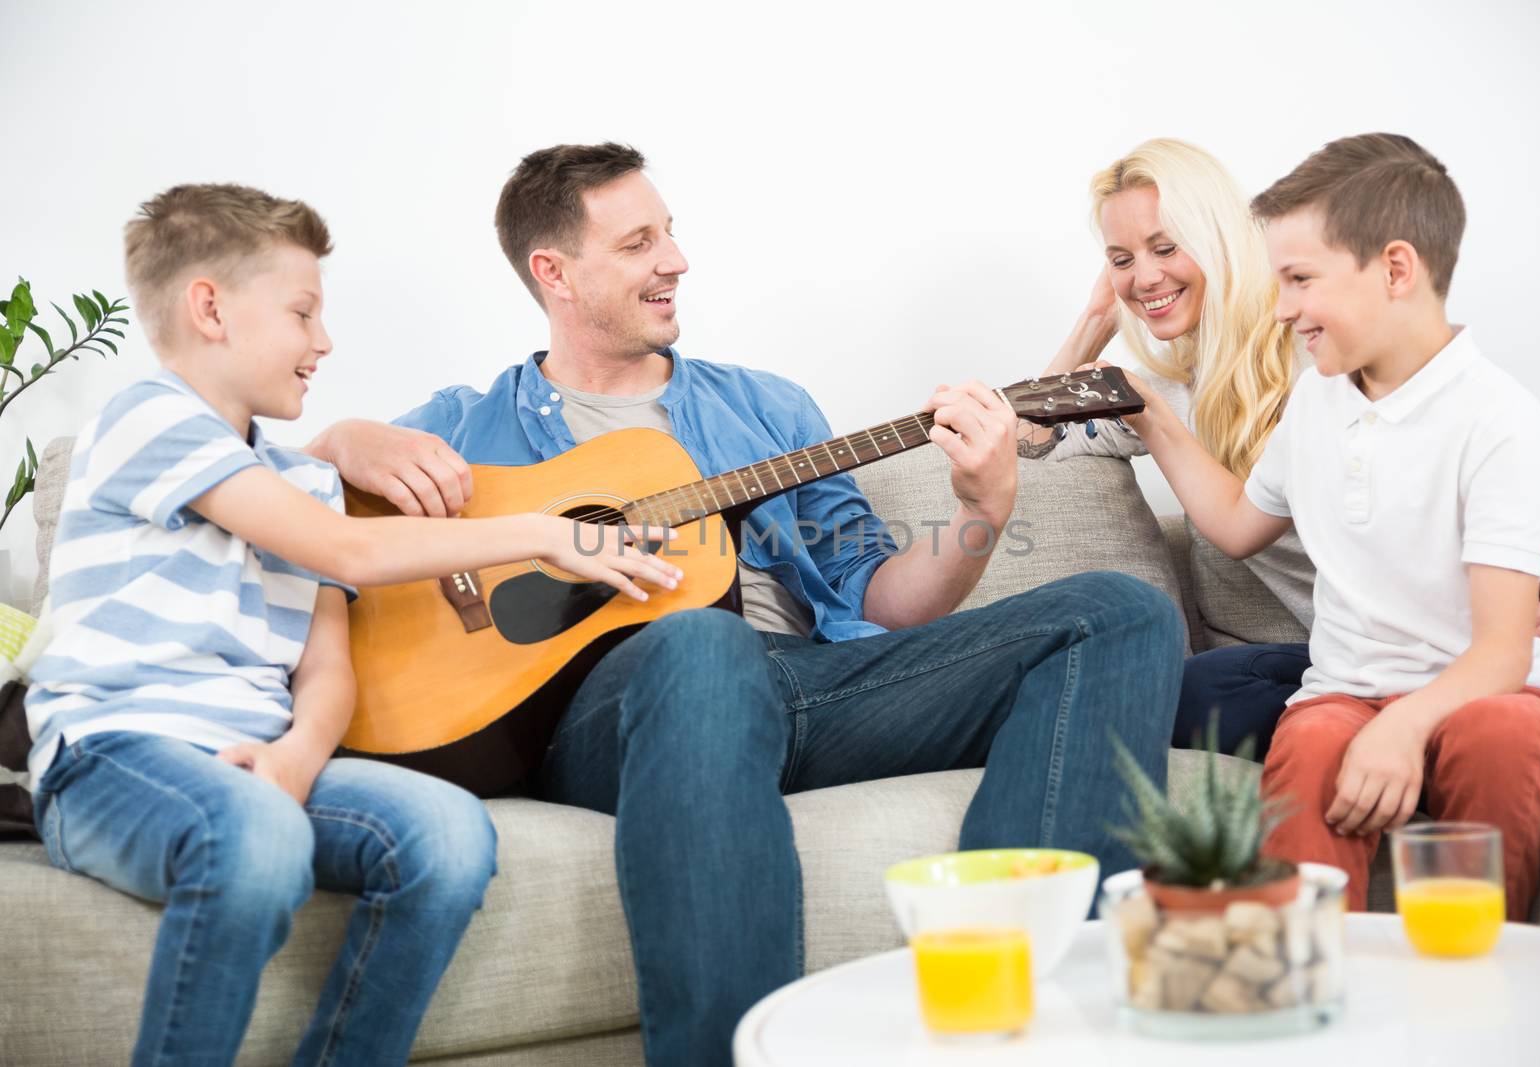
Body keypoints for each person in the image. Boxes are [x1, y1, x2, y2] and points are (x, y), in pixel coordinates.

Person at [306, 143, 1185, 1066]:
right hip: (613, 720)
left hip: (806, 692)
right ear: (554, 273)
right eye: (640, 241)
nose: (675, 260)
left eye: (670, 233)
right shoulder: (467, 420)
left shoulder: (766, 409)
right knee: (701, 643)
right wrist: (340, 439)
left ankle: (1020, 1023)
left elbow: (883, 603)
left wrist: (982, 509)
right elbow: (294, 515)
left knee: (1117, 611)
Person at [25, 183, 682, 1066]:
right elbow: (349, 553)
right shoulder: (148, 418)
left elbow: (326, 672)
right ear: (209, 307)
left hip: (255, 761)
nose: (324, 342)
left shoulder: (303, 482)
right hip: (113, 755)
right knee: (255, 835)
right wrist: (544, 532)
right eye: (302, 313)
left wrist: (297, 756)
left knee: (449, 836)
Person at [1111, 133, 1540, 918]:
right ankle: (1312, 988)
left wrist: (1404, 726)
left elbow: (1505, 650)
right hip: (1348, 689)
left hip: (1493, 694)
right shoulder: (1316, 402)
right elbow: (1235, 523)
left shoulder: (1500, 420)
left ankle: (1476, 998)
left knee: (1498, 735)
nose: (1283, 305)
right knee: (1314, 735)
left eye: (1300, 279)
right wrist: (1154, 417)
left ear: (1397, 270)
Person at [1016, 138, 1540, 761]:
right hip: (1369, 658)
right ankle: (1413, 734)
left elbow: (1479, 449)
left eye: (1165, 247)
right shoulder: (1152, 400)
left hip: (1539, 601)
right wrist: (1091, 321)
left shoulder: (1324, 348)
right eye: (1121, 258)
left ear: (1220, 240)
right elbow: (1028, 443)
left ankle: (1463, 736)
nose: (1145, 276)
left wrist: (1538, 563)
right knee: (1180, 696)